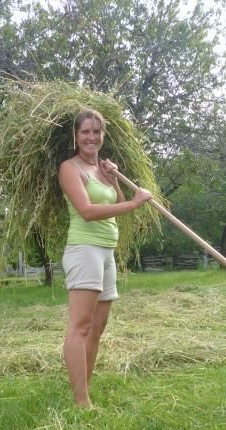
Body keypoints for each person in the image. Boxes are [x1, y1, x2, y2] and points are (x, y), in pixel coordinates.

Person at [58, 109, 152, 408]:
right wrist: (135, 204)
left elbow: (118, 202)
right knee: (81, 325)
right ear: (76, 135)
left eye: (97, 131)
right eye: (86, 131)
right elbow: (87, 211)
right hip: (84, 249)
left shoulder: (102, 168)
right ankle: (81, 401)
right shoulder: (69, 168)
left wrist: (113, 178)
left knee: (98, 327)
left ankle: (85, 387)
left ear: (103, 136)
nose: (91, 137)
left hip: (106, 251)